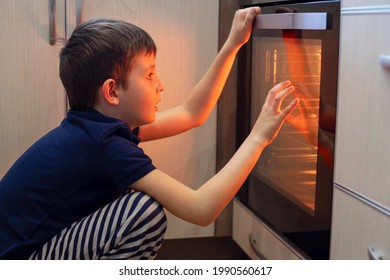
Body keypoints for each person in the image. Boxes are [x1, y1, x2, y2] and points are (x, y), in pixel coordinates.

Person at [0, 7, 298, 260]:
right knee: (143, 211)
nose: (160, 85)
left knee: (135, 201)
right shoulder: (104, 144)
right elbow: (201, 208)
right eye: (149, 75)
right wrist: (260, 136)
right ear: (112, 91)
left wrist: (233, 43)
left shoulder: (94, 128)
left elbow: (191, 114)